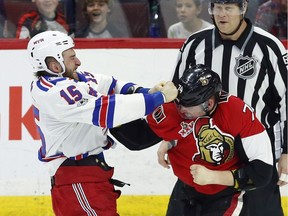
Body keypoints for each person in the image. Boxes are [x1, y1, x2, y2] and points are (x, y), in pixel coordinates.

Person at [26, 30, 177, 215]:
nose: (78, 62)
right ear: (54, 65)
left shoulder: (76, 78)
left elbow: (112, 85)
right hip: (76, 179)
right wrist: (158, 98)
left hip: (89, 175)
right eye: (72, 57)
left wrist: (146, 91)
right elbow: (106, 112)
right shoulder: (53, 92)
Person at [170, 0, 287, 215]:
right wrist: (168, 139)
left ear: (242, 9)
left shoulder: (269, 47)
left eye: (229, 8)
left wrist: (287, 151)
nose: (222, 14)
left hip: (254, 149)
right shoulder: (194, 44)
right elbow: (175, 96)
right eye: (218, 8)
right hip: (205, 146)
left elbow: (286, 101)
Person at [109, 64, 273, 215]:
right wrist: (112, 112)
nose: (181, 109)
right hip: (185, 190)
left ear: (208, 103)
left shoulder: (237, 112)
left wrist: (214, 177)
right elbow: (137, 139)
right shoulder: (173, 106)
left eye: (187, 105)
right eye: (179, 102)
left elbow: (262, 172)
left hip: (225, 195)